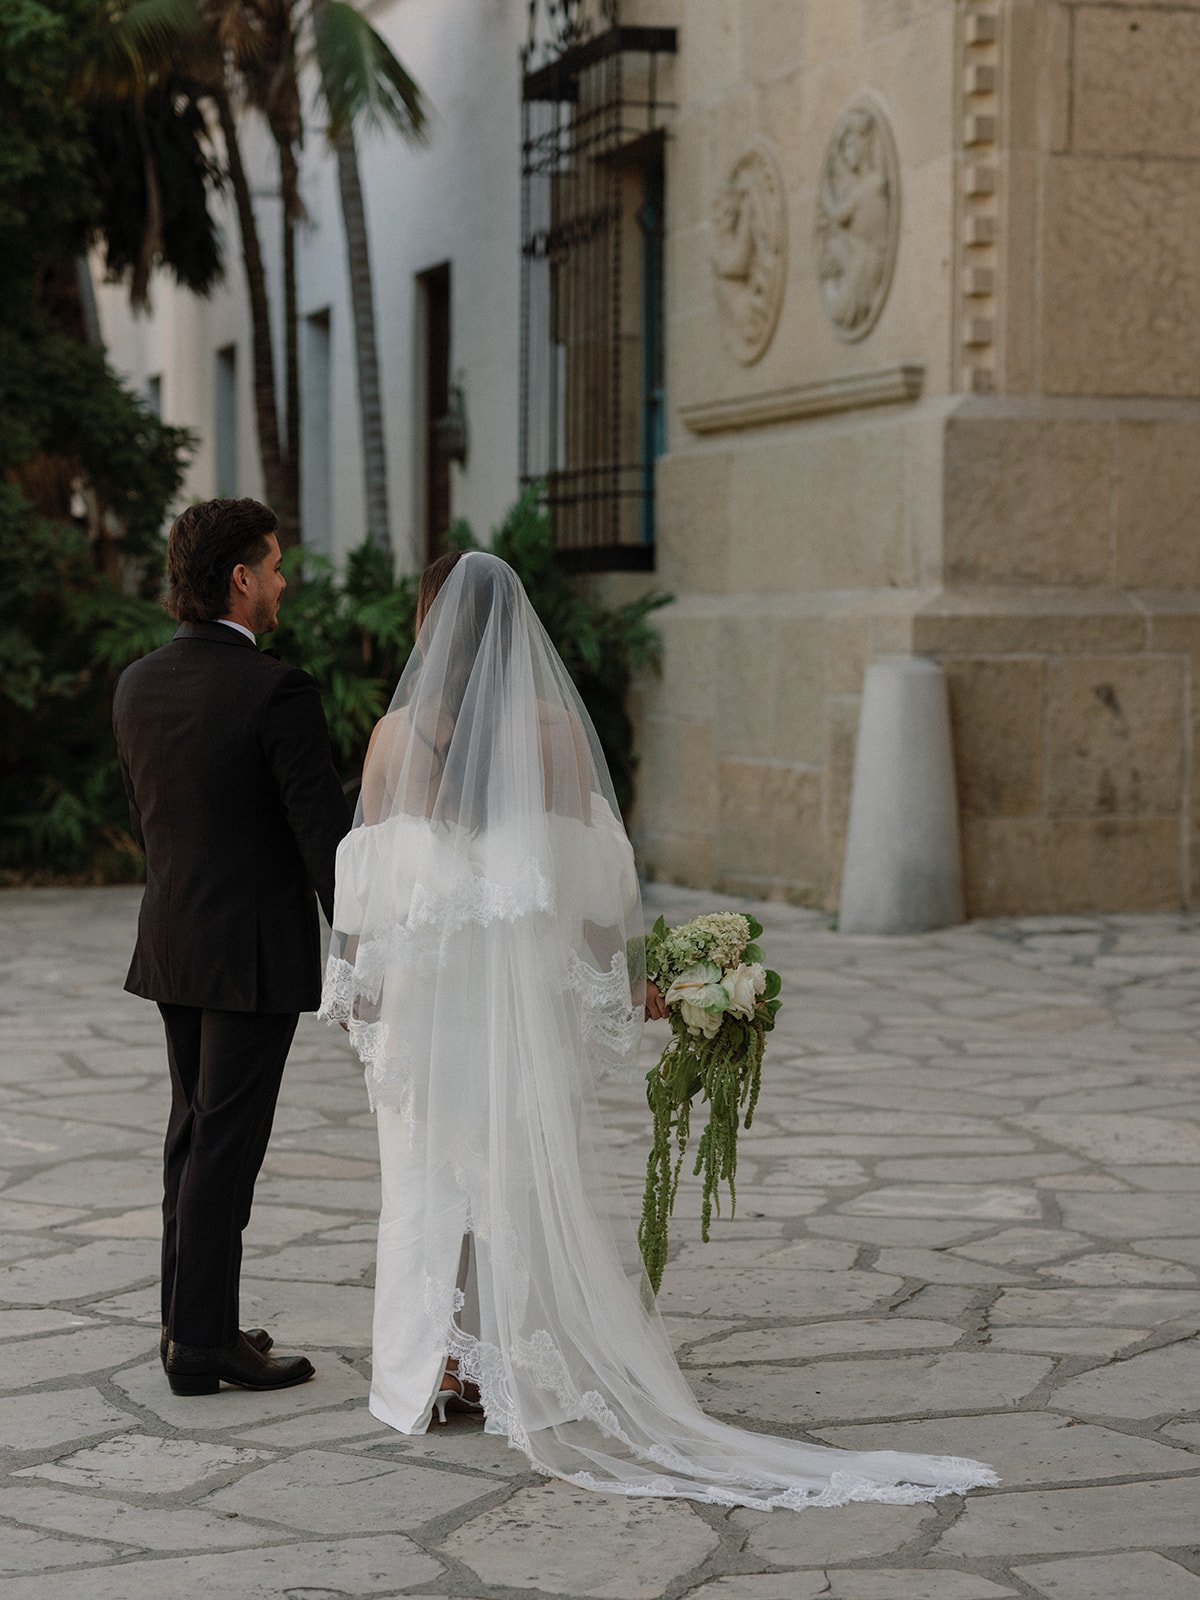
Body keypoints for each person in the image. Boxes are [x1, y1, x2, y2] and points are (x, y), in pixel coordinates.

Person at [321, 550, 997, 1509]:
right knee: (516, 1173)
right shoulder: (553, 733)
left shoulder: (396, 738)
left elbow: (370, 887)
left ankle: (433, 1372)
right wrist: (628, 983)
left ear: (430, 627)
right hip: (525, 1011)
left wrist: (360, 992)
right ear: (516, 635)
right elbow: (600, 884)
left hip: (434, 1016)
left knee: (429, 1179)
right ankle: (514, 1361)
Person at [114, 497, 350, 1396]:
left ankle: (188, 1323)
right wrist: (365, 947)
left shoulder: (138, 683)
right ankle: (205, 1342)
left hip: (174, 940)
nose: (285, 582)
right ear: (242, 579)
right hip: (249, 958)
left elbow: (148, 819)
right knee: (225, 1147)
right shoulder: (275, 689)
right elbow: (323, 841)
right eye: (277, 566)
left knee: (193, 1135)